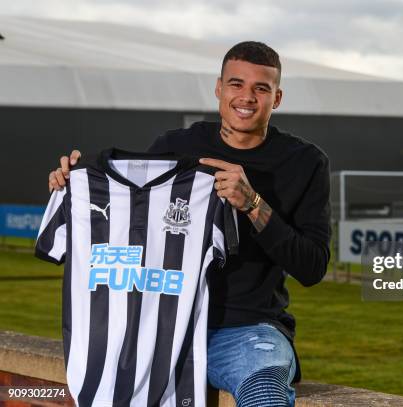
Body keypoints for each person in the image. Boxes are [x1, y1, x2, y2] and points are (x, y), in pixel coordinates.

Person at [48, 41, 331, 406]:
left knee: (265, 395)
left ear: (276, 98)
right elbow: (131, 216)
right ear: (218, 87)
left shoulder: (305, 162)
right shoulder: (176, 146)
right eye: (236, 84)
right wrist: (73, 183)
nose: (246, 96)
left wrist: (254, 204)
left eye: (261, 88)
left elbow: (312, 266)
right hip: (163, 324)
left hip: (243, 330)